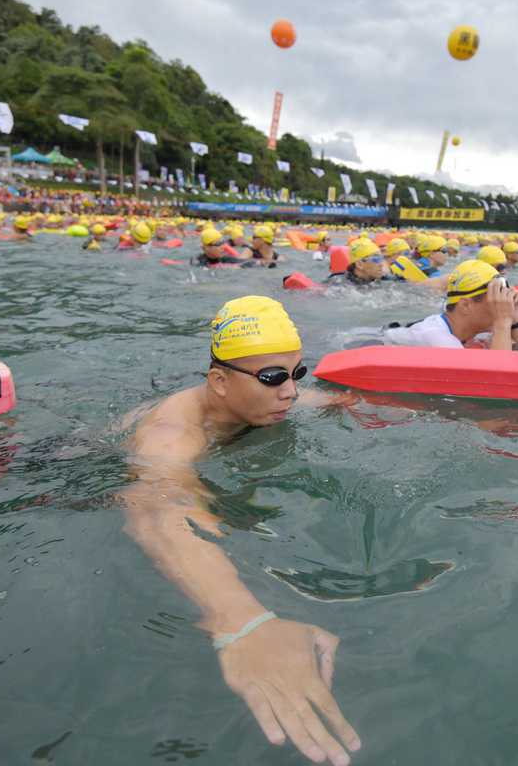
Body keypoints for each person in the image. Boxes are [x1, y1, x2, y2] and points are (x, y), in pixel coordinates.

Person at [122, 296, 361, 766]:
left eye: (297, 374)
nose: (290, 392)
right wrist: (239, 620)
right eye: (273, 378)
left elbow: (331, 400)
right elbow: (157, 506)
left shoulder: (267, 401)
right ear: (219, 381)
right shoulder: (170, 436)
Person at [383, 260, 518, 350]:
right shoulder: (439, 341)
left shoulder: (476, 331)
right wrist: (502, 322)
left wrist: (514, 323)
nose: (503, 305)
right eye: (495, 299)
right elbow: (498, 382)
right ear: (466, 305)